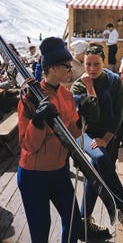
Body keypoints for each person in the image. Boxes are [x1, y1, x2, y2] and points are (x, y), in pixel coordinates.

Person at [17, 37, 85, 243]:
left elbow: (71, 134)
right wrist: (38, 120)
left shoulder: (66, 95)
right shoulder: (30, 97)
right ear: (53, 68)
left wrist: (83, 120)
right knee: (41, 231)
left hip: (59, 171)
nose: (70, 70)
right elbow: (27, 145)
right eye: (67, 66)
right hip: (33, 175)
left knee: (74, 221)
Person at [71, 43, 123, 242]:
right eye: (88, 64)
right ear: (83, 62)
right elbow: (91, 117)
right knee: (100, 158)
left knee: (97, 170)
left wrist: (107, 139)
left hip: (109, 133)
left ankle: (85, 220)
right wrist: (90, 88)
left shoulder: (114, 80)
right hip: (85, 134)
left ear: (104, 62)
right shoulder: (78, 85)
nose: (91, 69)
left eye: (96, 64)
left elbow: (118, 115)